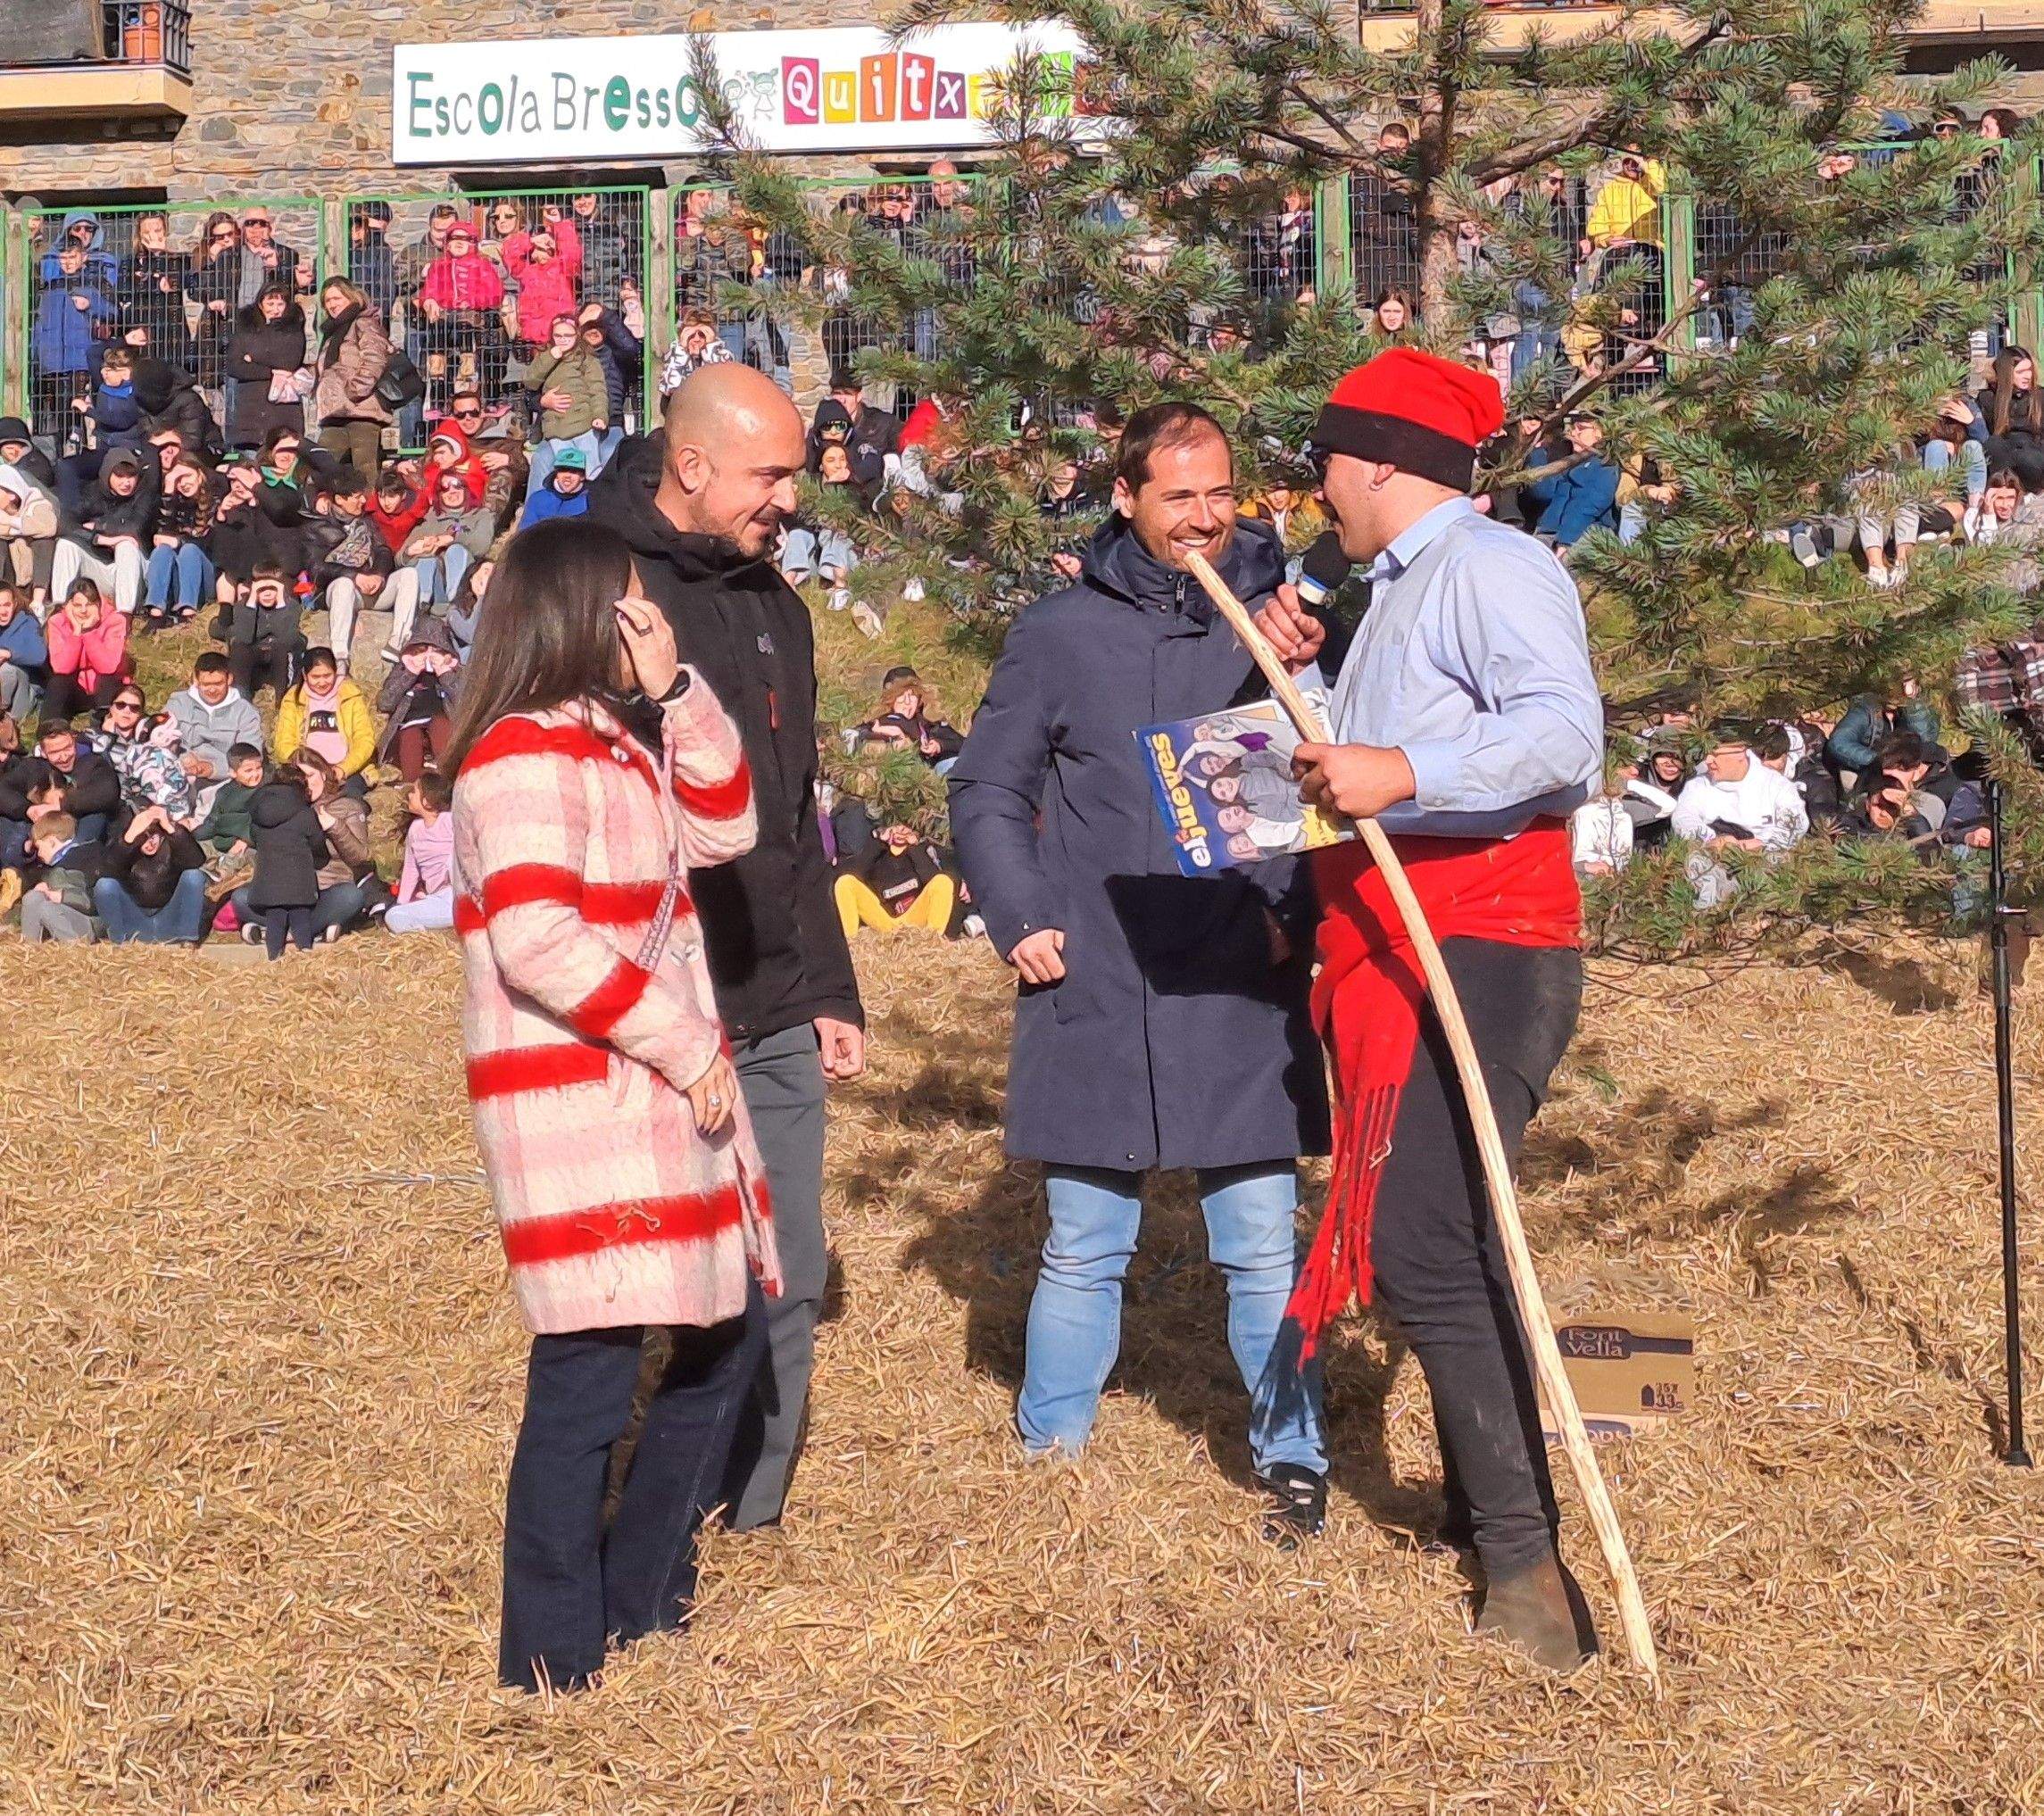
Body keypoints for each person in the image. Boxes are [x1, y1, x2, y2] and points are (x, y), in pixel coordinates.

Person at [1250, 347, 1605, 1666]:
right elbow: (1372, 754)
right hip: (1399, 946)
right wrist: (1319, 691)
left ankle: (1521, 1565)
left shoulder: (1490, 568)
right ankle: (1487, 1513)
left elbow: (1561, 732)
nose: (1317, 493)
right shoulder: (1393, 589)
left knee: (1422, 1245)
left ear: (1381, 461)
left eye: (1327, 465)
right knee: (1448, 1244)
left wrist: (1394, 762)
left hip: (1481, 943)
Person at [949, 401, 1331, 1538]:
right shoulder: (1062, 631)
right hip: (1099, 976)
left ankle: (1292, 1456)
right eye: (1178, 497)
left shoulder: (1290, 615)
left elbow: (1315, 784)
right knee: (1083, 1242)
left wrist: (1287, 915)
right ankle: (1049, 1452)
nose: (1204, 518)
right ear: (1127, 498)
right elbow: (986, 786)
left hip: (1233, 980)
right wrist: (1018, 910)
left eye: (1220, 493)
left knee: (1264, 1244)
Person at [443, 517, 779, 1695]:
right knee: (586, 1372)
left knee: (721, 1335)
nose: (647, 614)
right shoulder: (520, 752)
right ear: (582, 607)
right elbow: (536, 938)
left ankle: (636, 1604)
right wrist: (684, 1041)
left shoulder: (614, 740)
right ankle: (549, 1655)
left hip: (649, 1102)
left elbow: (730, 824)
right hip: (586, 1108)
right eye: (632, 601)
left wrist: (679, 687)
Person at [586, 363, 864, 1532]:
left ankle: (743, 1517)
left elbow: (792, 815)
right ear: (691, 464)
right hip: (643, 1016)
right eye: (770, 473)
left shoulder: (776, 605)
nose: (790, 499)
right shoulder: (590, 585)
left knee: (785, 1275)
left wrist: (827, 984)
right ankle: (622, 1515)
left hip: (770, 1000)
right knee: (634, 1289)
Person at [1671, 733, 1809, 906]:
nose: (1708, 760)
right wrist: (1714, 841)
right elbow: (1683, 818)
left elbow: (1794, 827)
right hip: (1714, 859)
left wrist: (1751, 846)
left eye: (1715, 754)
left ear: (1739, 753)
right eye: (1706, 753)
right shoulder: (1698, 786)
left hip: (1766, 864)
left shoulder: (1776, 786)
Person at [0, 717, 122, 864]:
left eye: (68, 748)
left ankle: (72, 863)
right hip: (38, 839)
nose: (64, 757)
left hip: (78, 836)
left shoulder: (93, 764)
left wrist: (60, 805)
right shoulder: (33, 767)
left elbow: (108, 791)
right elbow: (3, 790)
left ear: (74, 741)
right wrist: (28, 810)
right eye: (55, 752)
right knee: (8, 816)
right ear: (43, 752)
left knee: (96, 813)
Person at [54, 447, 155, 617]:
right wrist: (100, 539)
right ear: (107, 474)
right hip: (103, 569)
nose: (126, 483)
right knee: (66, 545)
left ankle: (125, 614)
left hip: (134, 571)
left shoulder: (143, 495)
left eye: (131, 476)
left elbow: (134, 528)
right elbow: (65, 523)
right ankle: (61, 609)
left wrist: (98, 525)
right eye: (120, 476)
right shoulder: (93, 493)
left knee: (126, 545)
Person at [93, 802, 209, 944]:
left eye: (153, 837)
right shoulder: (126, 845)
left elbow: (196, 861)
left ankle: (187, 941)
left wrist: (170, 827)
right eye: (144, 837)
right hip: (134, 921)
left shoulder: (173, 842)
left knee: (194, 876)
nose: (150, 843)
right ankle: (119, 942)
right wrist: (130, 837)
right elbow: (104, 872)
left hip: (169, 918)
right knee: (104, 885)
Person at [312, 278, 394, 481]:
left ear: (351, 297)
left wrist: (355, 390)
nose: (332, 304)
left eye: (337, 298)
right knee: (322, 466)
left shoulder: (363, 323)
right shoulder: (332, 332)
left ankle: (366, 510)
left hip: (362, 410)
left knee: (365, 472)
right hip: (336, 413)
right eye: (327, 301)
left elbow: (375, 359)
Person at [245, 767, 328, 958]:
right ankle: (304, 955)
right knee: (301, 918)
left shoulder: (258, 812)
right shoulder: (304, 812)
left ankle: (274, 958)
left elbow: (254, 838)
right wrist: (319, 860)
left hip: (268, 880)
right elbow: (317, 843)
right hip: (299, 879)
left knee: (275, 919)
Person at [275, 646, 378, 797]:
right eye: (315, 677)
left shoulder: (350, 695)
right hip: (307, 770)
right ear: (304, 674)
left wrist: (343, 769)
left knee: (347, 799)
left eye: (327, 675)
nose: (322, 682)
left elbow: (364, 740)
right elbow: (283, 743)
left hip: (346, 770)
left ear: (336, 673)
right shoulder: (293, 698)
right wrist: (310, 770)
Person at [224, 283, 311, 452]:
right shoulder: (244, 331)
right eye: (270, 304)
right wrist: (271, 372)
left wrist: (252, 358)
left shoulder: (294, 331)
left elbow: (288, 363)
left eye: (280, 304)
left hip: (282, 411)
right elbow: (234, 366)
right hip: (250, 411)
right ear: (260, 305)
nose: (275, 309)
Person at [832, 820, 958, 936]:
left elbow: (930, 878)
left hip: (913, 918)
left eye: (905, 829)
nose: (900, 831)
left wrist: (915, 847)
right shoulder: (877, 854)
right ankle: (851, 941)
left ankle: (933, 941)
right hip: (885, 919)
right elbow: (853, 872)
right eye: (896, 827)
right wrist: (879, 842)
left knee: (944, 881)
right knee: (845, 882)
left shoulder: (920, 852)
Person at [397, 470, 494, 618]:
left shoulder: (481, 515)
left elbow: (482, 545)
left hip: (466, 586)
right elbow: (400, 558)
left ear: (465, 489)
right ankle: (422, 605)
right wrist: (411, 552)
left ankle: (455, 603)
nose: (452, 491)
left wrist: (452, 539)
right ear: (439, 494)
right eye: (445, 488)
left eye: (457, 486)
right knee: (427, 559)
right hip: (435, 589)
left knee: (456, 550)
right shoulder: (430, 520)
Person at [376, 617, 463, 782]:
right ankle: (412, 786)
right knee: (411, 735)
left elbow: (465, 703)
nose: (428, 656)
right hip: (408, 726)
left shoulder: (454, 673)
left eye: (435, 650)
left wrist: (445, 672)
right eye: (422, 649)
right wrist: (410, 672)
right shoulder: (402, 670)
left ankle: (446, 781)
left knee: (441, 725)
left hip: (441, 722)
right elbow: (385, 702)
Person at [1523, 415, 1621, 548]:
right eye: (1573, 428)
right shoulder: (1570, 462)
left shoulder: (1605, 467)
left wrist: (1565, 544)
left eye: (1580, 429)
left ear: (1599, 433)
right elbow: (1545, 492)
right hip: (1548, 533)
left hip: (1582, 539)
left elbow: (1586, 507)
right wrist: (1537, 450)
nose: (1574, 433)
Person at [143, 455, 218, 627]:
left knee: (189, 550)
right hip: (178, 577)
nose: (182, 484)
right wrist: (169, 489)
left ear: (200, 475)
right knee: (162, 550)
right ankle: (155, 610)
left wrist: (179, 542)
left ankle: (188, 613)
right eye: (177, 480)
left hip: (206, 578)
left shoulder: (216, 499)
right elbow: (161, 533)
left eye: (187, 476)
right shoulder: (177, 503)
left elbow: (211, 542)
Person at [44, 580, 131, 724]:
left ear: (98, 604)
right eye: (78, 605)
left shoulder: (115, 620)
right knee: (58, 682)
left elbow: (107, 666)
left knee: (107, 678)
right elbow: (62, 668)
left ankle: (105, 727)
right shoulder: (57, 622)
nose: (83, 610)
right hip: (76, 688)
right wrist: (77, 633)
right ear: (68, 605)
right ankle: (51, 732)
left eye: (89, 604)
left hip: (107, 688)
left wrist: (90, 632)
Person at [20, 811, 108, 943]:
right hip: (60, 916)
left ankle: (75, 950)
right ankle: (29, 948)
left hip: (87, 922)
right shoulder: (49, 867)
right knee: (32, 897)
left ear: (51, 842)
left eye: (39, 847)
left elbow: (98, 902)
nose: (39, 853)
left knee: (47, 909)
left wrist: (62, 896)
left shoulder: (88, 856)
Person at [387, 769, 454, 933]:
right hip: (436, 898)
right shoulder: (415, 830)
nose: (409, 795)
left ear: (428, 801)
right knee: (393, 915)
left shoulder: (448, 821)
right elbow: (411, 869)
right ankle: (426, 933)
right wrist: (402, 903)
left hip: (454, 894)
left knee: (396, 916)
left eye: (415, 792)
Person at [227, 563, 304, 705]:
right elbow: (244, 637)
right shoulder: (243, 606)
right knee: (239, 648)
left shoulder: (291, 606)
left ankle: (283, 700)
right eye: (262, 589)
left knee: (283, 647)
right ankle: (241, 700)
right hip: (254, 656)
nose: (267, 593)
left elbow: (287, 639)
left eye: (273, 589)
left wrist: (281, 601)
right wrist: (251, 602)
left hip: (279, 657)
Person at [0, 583, 48, 722]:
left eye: (6, 605)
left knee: (8, 670)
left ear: (14, 604)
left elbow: (39, 655)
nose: (2, 611)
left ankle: (8, 718)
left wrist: (8, 654)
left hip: (25, 691)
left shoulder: (27, 622)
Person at [520, 446, 592, 527]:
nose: (567, 476)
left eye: (573, 471)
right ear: (556, 474)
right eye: (563, 470)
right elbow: (525, 532)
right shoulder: (537, 499)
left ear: (582, 476)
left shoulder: (590, 501)